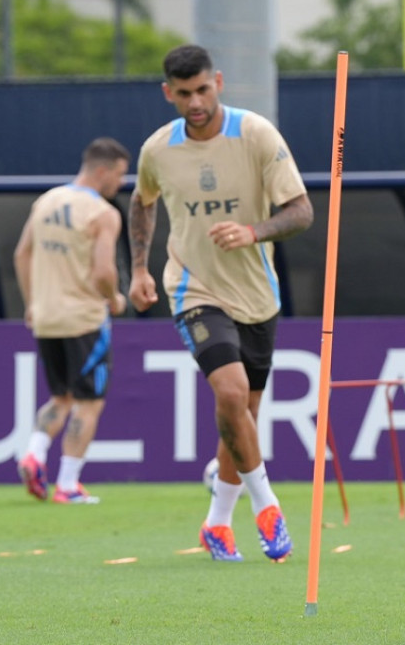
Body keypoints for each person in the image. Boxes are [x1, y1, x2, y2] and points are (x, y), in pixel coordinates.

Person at [127, 44, 313, 562]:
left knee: (242, 416)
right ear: (169, 93)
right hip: (193, 289)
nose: (195, 102)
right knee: (230, 395)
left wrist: (254, 231)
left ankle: (215, 523)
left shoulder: (255, 135)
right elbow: (141, 204)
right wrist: (139, 269)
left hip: (256, 293)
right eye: (183, 93)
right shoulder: (157, 150)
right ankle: (267, 506)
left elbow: (300, 212)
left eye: (202, 89)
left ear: (219, 83)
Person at [14, 137, 130, 505]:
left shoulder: (45, 201)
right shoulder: (103, 214)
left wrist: (32, 302)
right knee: (88, 402)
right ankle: (67, 485)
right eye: (119, 175)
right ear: (102, 171)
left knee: (60, 397)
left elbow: (22, 254)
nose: (120, 184)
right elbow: (103, 271)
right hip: (84, 319)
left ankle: (33, 452)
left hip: (46, 316)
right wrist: (113, 299)